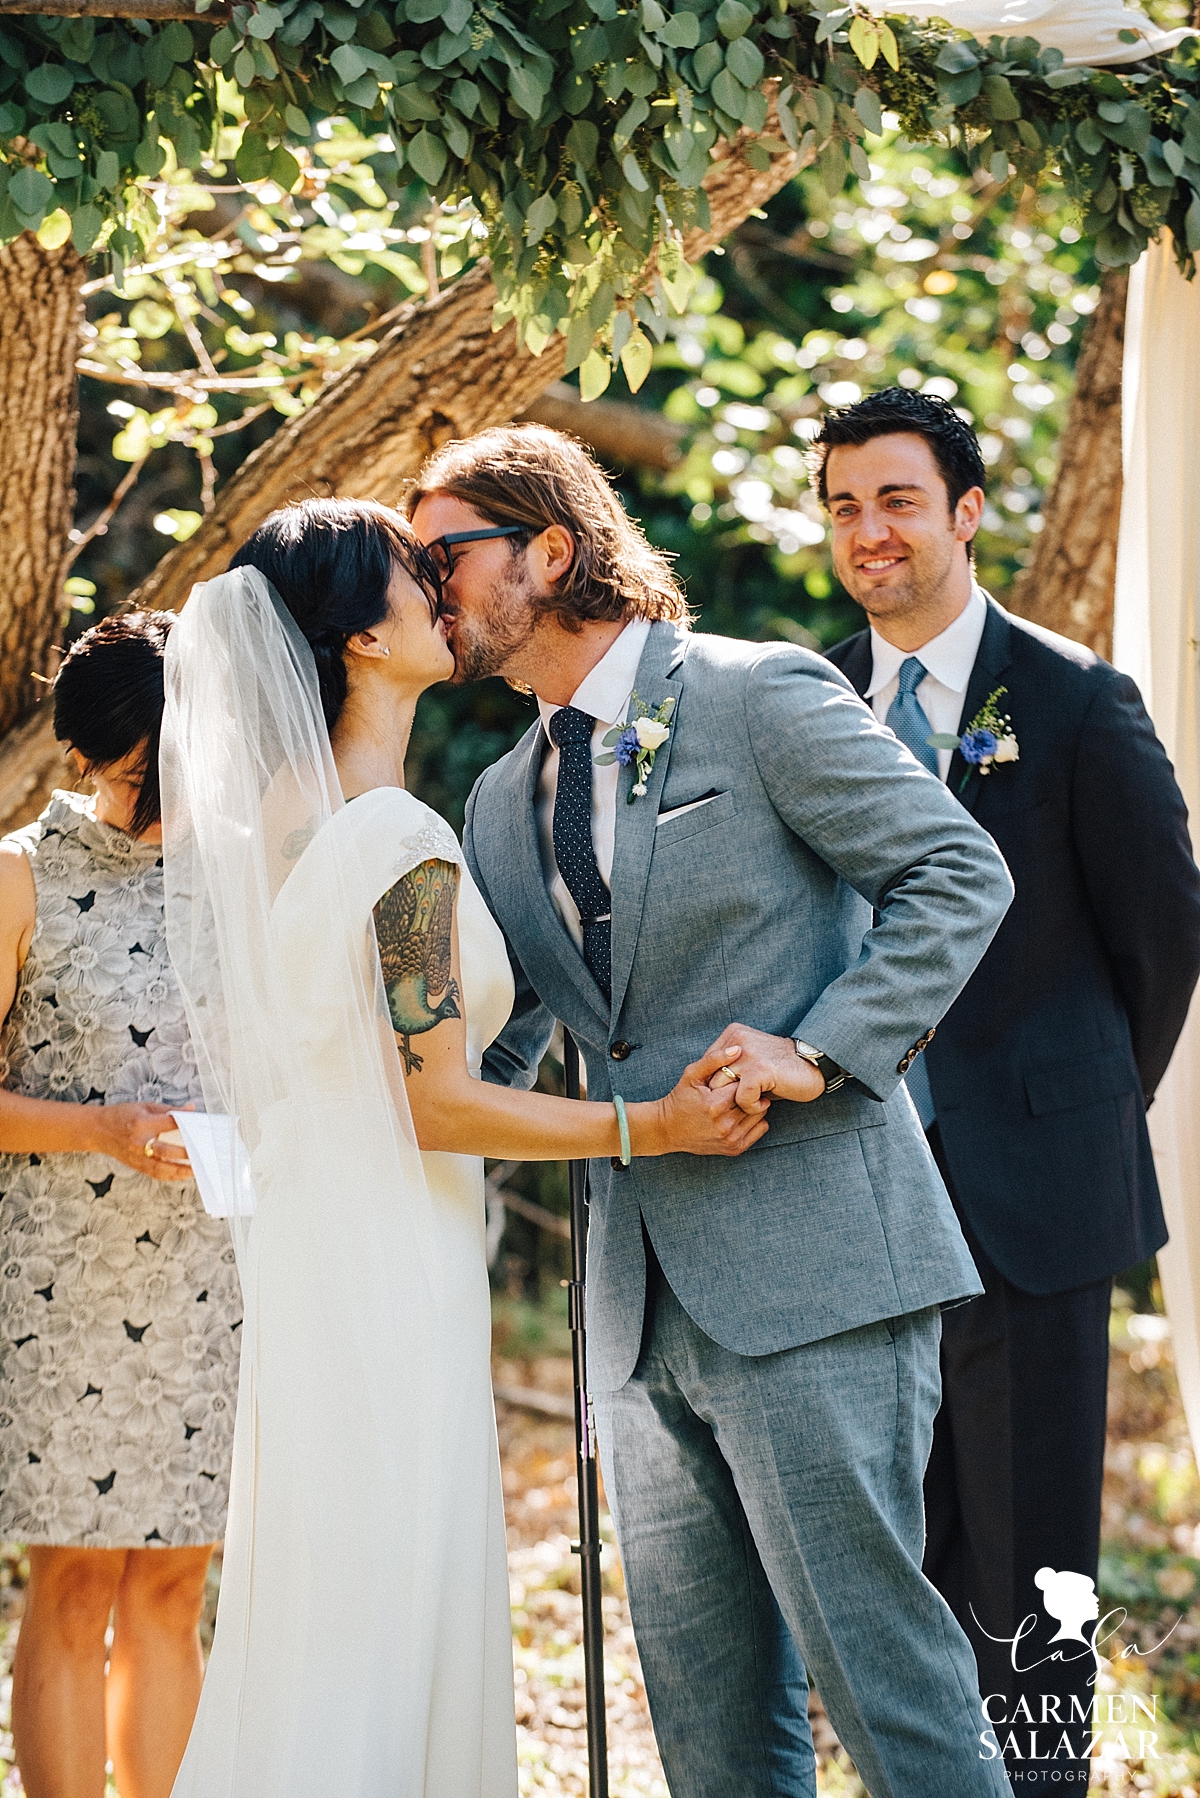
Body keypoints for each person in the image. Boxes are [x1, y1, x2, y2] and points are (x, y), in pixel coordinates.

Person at [410, 423, 1017, 1798]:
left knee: (891, 1694)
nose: (429, 585)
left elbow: (956, 872)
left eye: (447, 553)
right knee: (712, 1733)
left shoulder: (760, 698)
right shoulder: (501, 802)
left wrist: (823, 1046)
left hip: (817, 1270)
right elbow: (501, 1051)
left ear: (550, 549)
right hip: (632, 1312)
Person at [159, 498, 767, 1798]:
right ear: (359, 641)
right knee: (384, 1596)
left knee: (324, 1608)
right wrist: (648, 1126)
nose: (443, 593)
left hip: (324, 1253)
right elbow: (432, 1102)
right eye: (411, 576)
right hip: (384, 1259)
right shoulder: (397, 842)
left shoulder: (273, 834)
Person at [819, 386, 1200, 1786]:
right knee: (895, 1560)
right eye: (847, 503)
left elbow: (1163, 936)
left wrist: (1074, 1108)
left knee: (1035, 1569)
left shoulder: (1075, 698)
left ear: (967, 510)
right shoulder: (799, 695)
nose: (871, 530)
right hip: (851, 1205)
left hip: (1034, 1204)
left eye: (899, 498)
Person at [0, 613, 242, 1798]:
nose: (165, 797)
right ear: (87, 757)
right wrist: (100, 1127)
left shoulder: (241, 880)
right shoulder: (20, 876)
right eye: (143, 773)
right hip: (66, 1284)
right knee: (77, 1578)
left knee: (173, 1584)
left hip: (209, 1281)